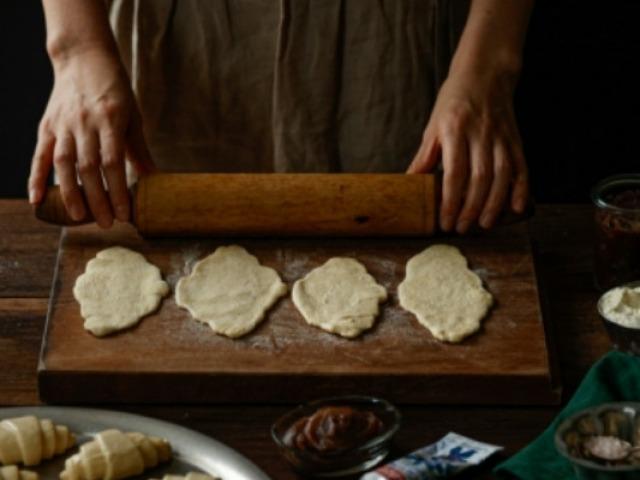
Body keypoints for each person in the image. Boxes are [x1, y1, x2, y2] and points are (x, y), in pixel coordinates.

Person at [28, 0, 533, 234]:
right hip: (179, 47)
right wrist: (76, 48)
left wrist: (489, 65)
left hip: (385, 48)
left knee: (414, 229)